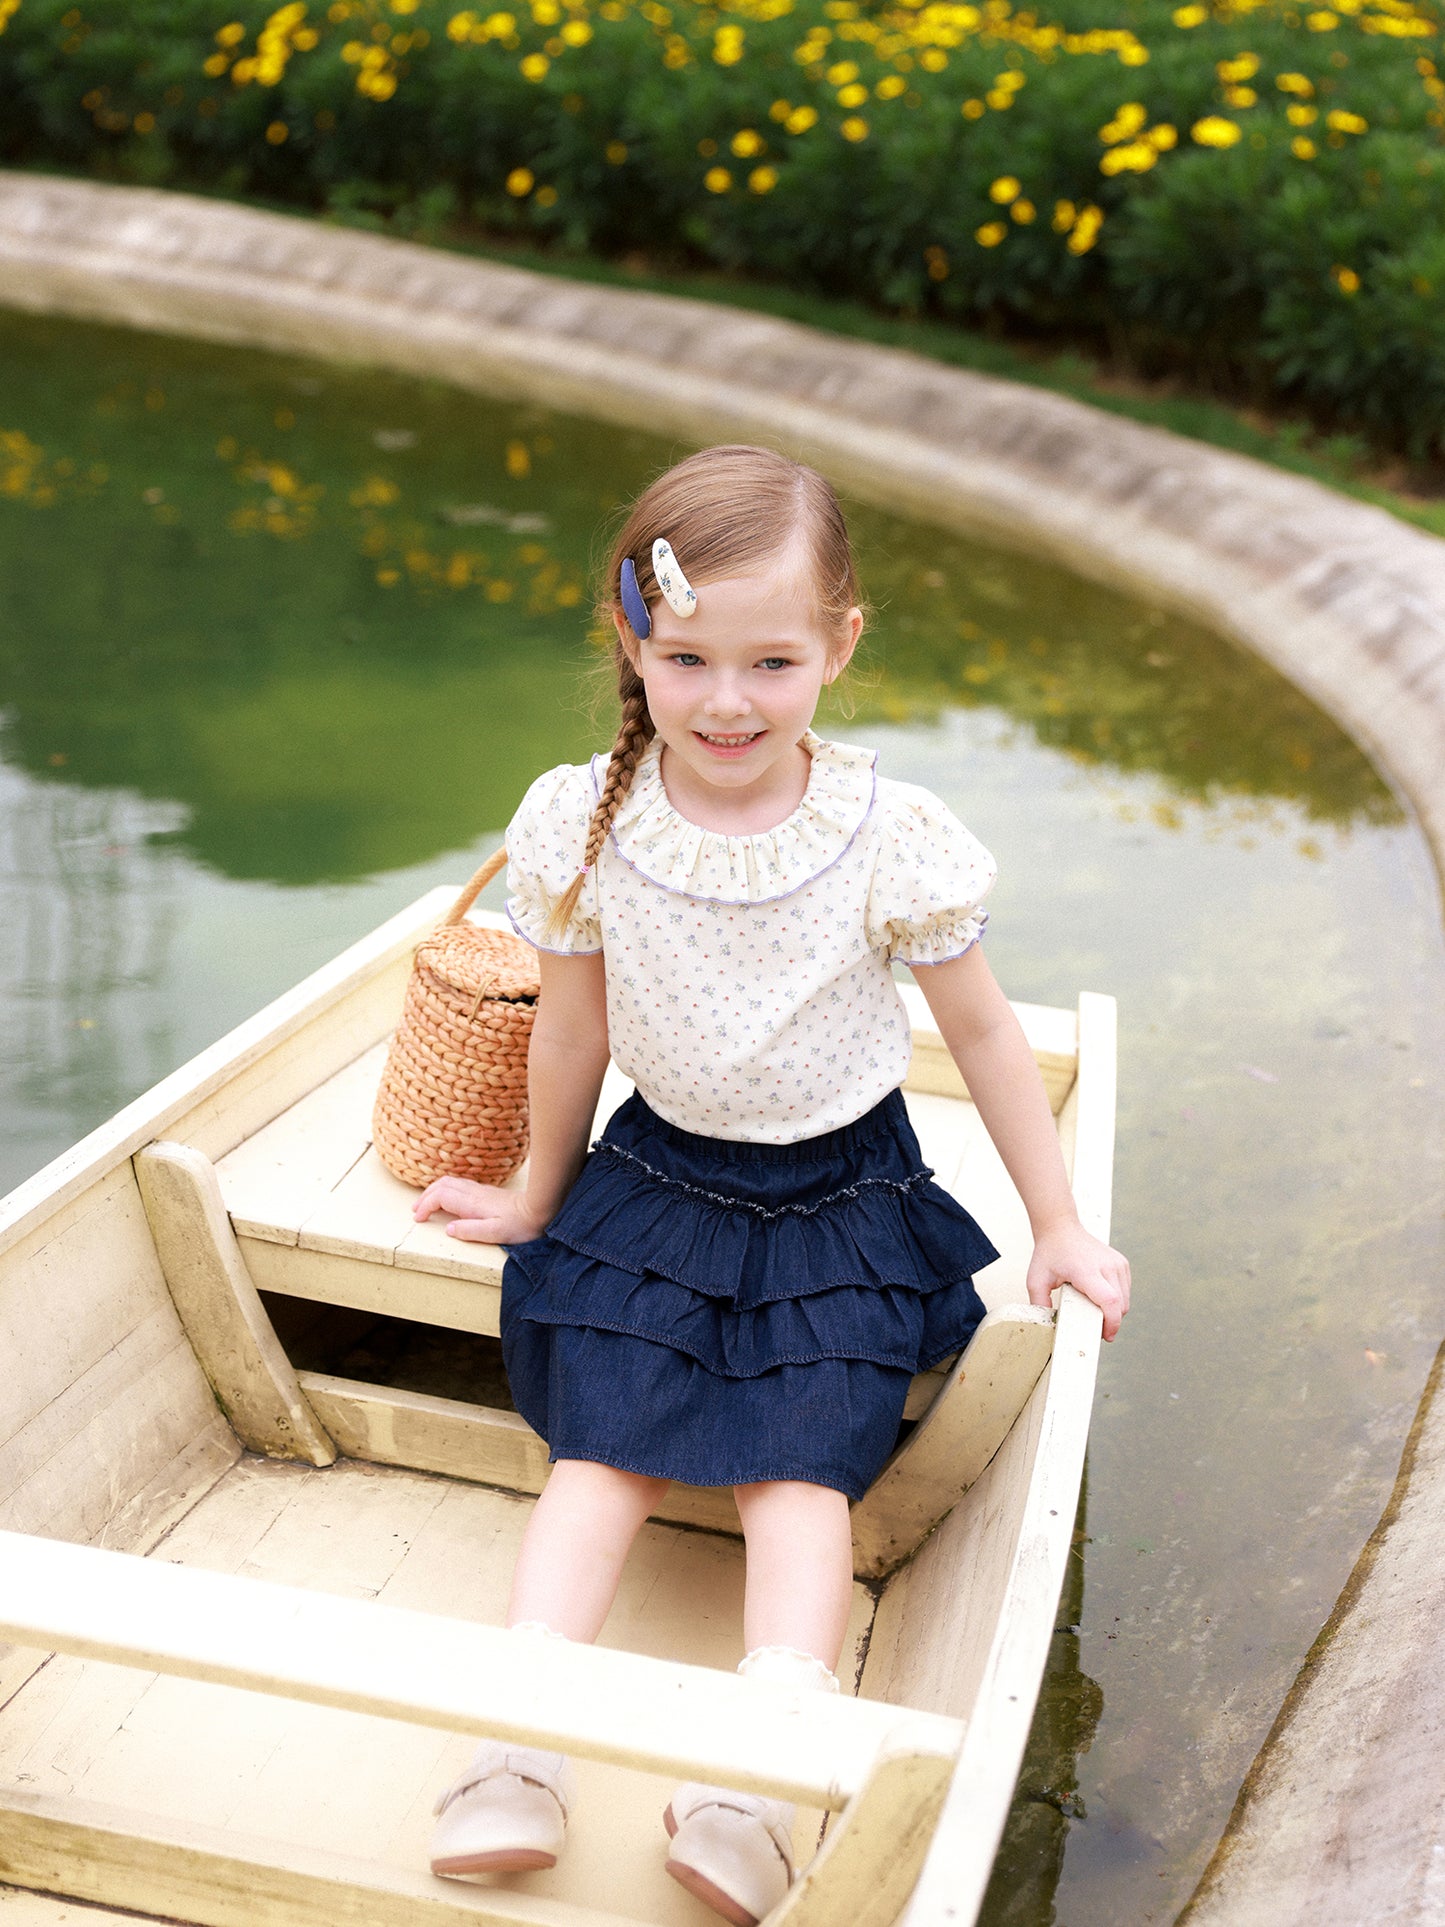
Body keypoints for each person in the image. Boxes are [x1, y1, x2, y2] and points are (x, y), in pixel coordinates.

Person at [413, 444, 1129, 1924]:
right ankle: (518, 1746)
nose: (726, 700)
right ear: (635, 644)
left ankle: (749, 1775)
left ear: (838, 649)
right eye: (686, 658)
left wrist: (1057, 1222)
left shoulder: (882, 835)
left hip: (839, 1200)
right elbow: (575, 1028)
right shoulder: (590, 815)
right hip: (658, 1184)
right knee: (600, 1452)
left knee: (797, 1476)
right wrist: (537, 1196)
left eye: (771, 660)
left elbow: (984, 1033)